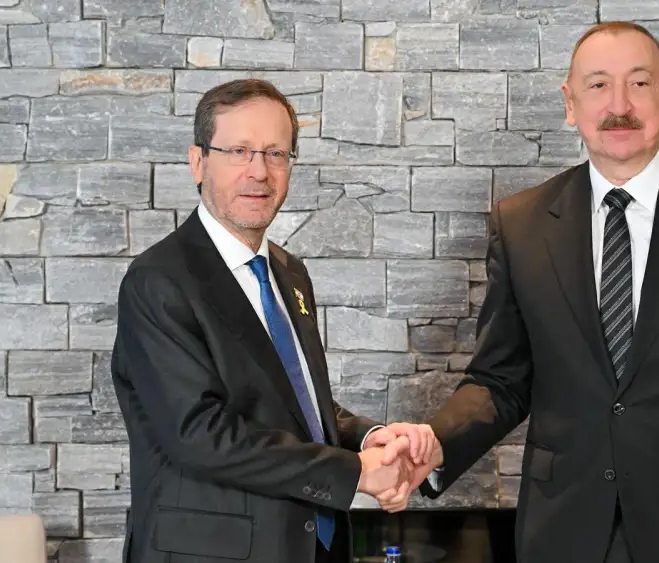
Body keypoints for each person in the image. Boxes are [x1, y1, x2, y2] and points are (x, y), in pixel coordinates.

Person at [377, 21, 659, 563]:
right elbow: (502, 379)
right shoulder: (520, 224)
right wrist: (436, 442)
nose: (619, 104)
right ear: (570, 103)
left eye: (639, 83)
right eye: (597, 85)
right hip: (563, 535)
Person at [111, 78, 432, 563]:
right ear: (199, 162)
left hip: (309, 546)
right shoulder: (158, 281)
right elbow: (201, 434)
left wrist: (368, 437)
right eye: (239, 151)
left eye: (275, 154)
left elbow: (293, 402)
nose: (259, 171)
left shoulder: (289, 273)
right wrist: (356, 473)